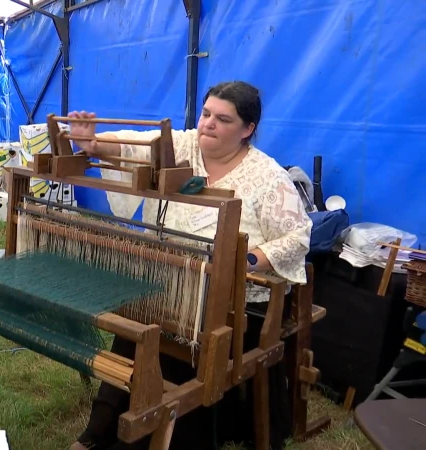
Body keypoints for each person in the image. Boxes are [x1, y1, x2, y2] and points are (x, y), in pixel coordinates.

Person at [68, 81, 313, 450]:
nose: (208, 124)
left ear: (247, 130)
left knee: (173, 334)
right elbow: (139, 143)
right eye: (206, 113)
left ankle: (148, 434)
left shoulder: (269, 178)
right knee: (136, 326)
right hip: (172, 283)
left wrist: (245, 261)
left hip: (233, 300)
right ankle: (101, 428)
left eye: (223, 119)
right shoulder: (182, 148)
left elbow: (297, 238)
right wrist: (93, 143)